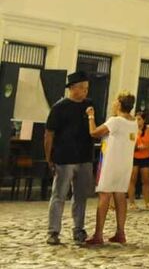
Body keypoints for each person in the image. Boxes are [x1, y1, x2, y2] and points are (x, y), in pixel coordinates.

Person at [44, 70, 95, 246]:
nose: (85, 91)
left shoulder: (89, 105)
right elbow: (49, 134)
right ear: (73, 88)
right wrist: (48, 157)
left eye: (87, 88)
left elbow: (94, 129)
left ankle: (78, 228)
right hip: (64, 158)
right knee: (59, 195)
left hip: (84, 157)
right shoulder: (59, 107)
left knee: (81, 196)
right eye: (82, 88)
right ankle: (53, 231)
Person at [85, 91, 138, 245]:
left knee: (104, 195)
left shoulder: (115, 121)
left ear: (119, 104)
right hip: (125, 163)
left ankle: (98, 234)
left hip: (111, 162)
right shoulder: (133, 122)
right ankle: (120, 232)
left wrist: (91, 116)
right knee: (120, 196)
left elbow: (94, 132)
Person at [128, 113, 149, 210]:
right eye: (135, 119)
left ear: (143, 120)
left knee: (146, 180)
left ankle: (147, 202)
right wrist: (135, 146)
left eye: (139, 119)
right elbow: (130, 142)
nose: (137, 121)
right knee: (132, 179)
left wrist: (147, 146)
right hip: (135, 156)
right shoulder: (132, 130)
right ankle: (131, 202)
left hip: (145, 156)